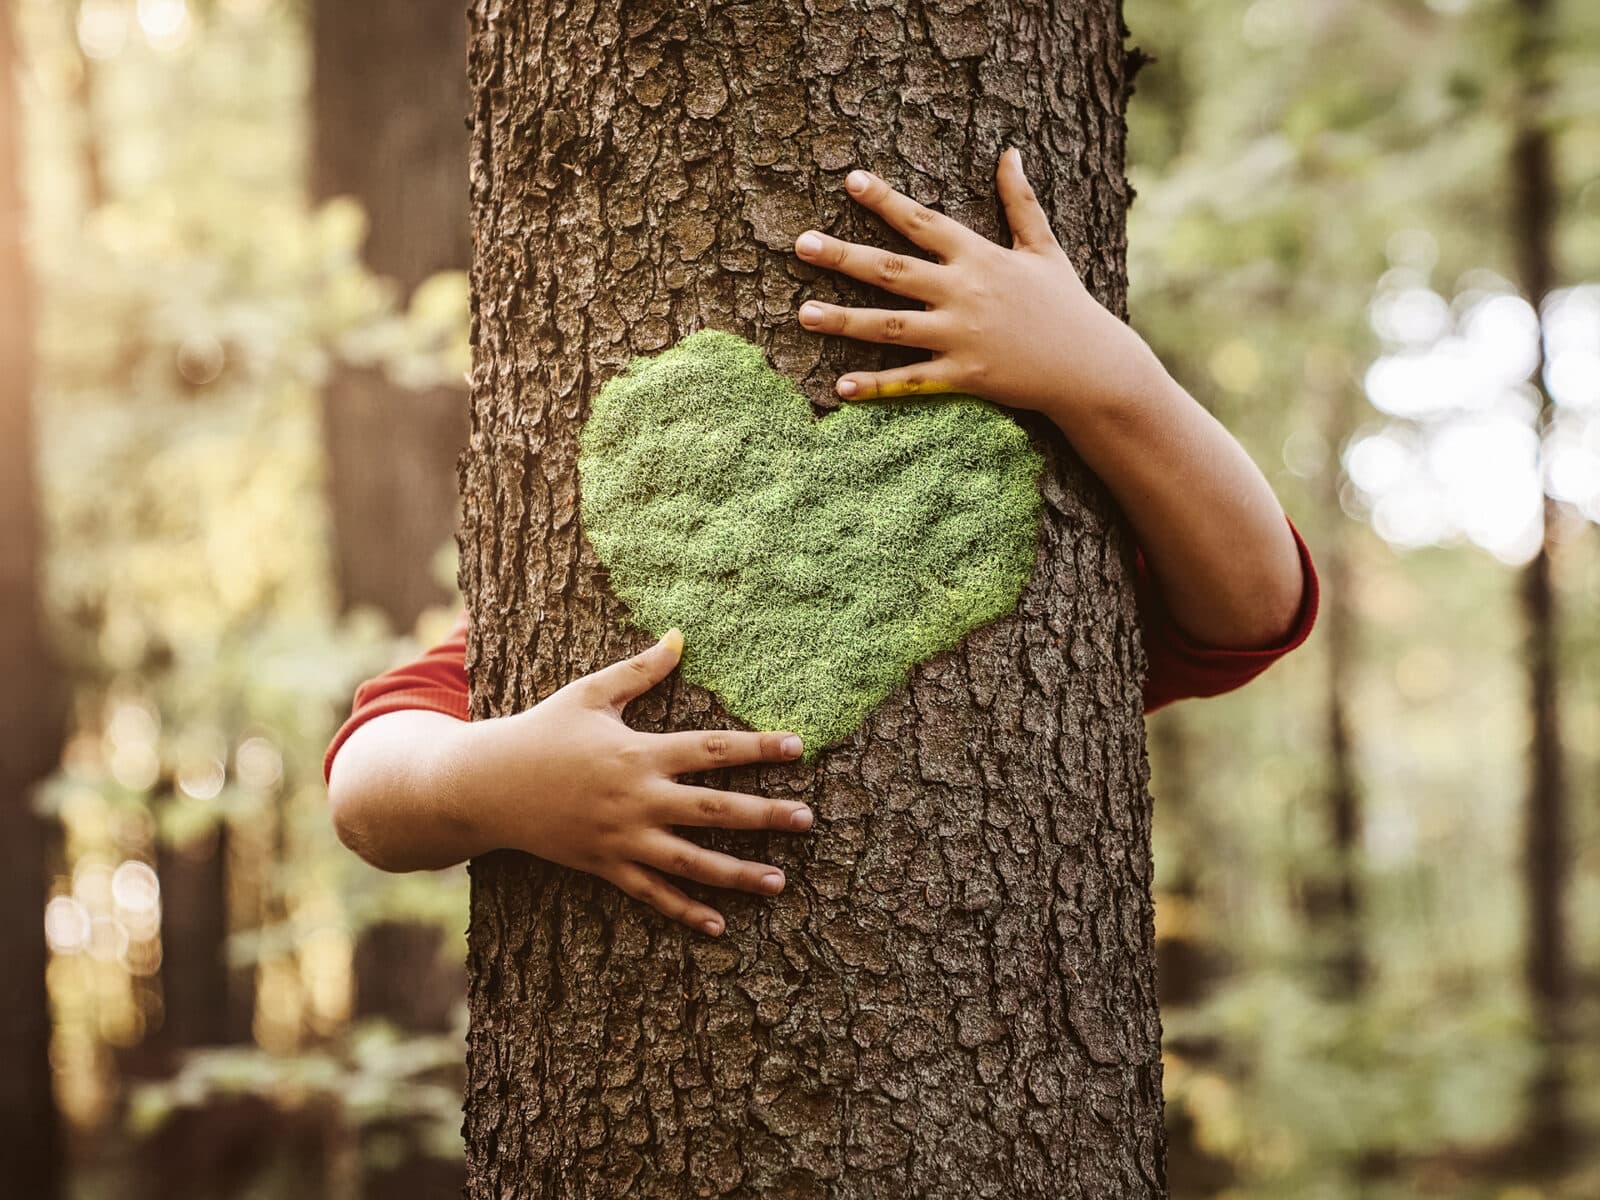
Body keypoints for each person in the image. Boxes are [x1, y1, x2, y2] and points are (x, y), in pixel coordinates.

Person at [323, 149, 1318, 939]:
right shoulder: (589, 600)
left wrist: (1106, 376)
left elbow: (1254, 607)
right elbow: (369, 786)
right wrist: (493, 783)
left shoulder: (1052, 555)